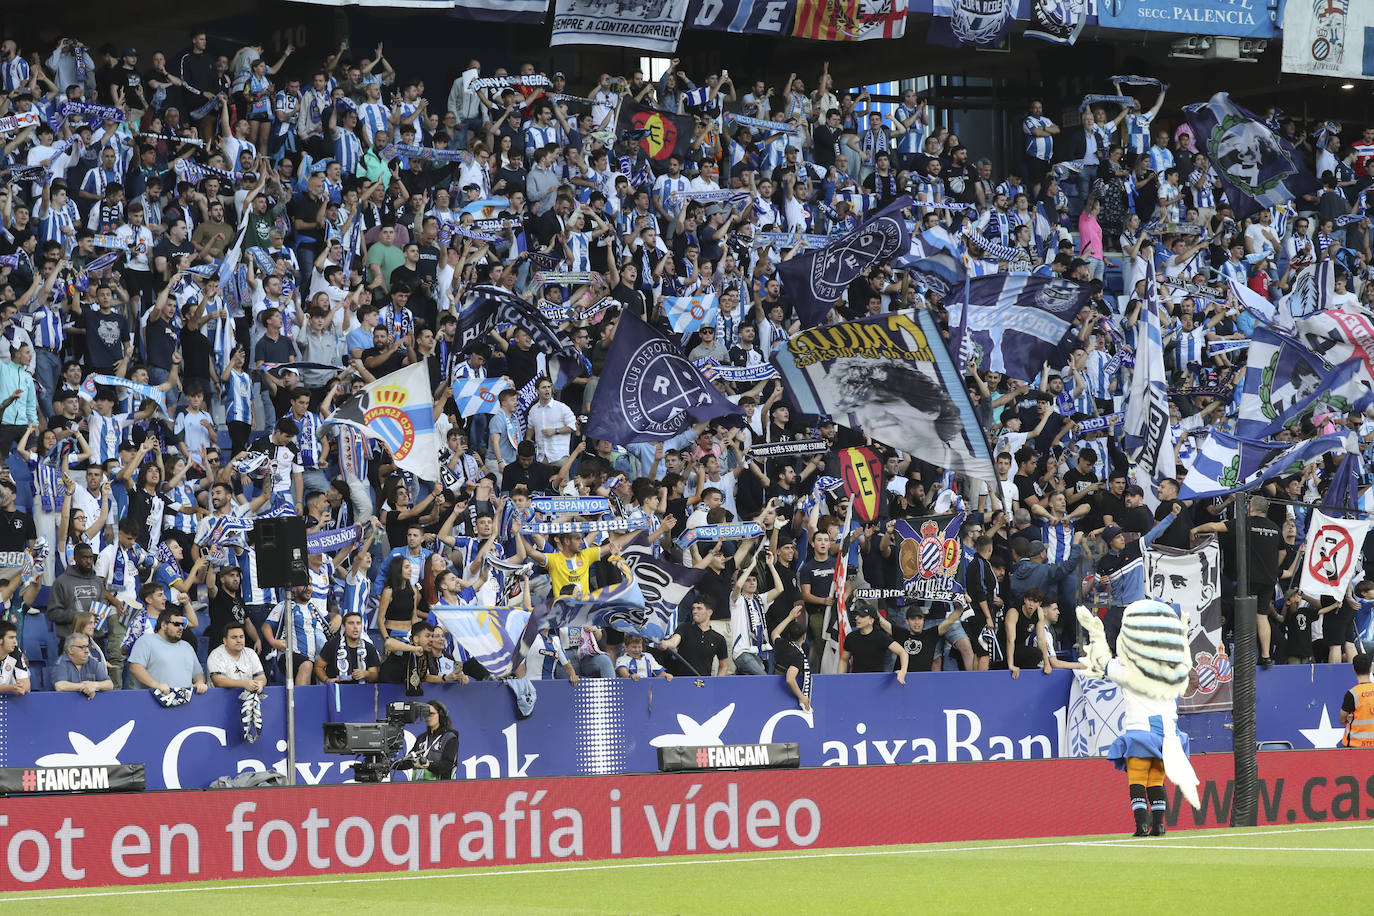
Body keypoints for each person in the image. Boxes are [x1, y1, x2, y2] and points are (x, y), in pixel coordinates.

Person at [1078, 600, 1200, 837]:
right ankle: (1159, 825)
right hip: (1167, 735)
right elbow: (1186, 662)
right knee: (1156, 781)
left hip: (1140, 731)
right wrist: (1183, 633)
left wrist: (1096, 632)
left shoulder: (1129, 671)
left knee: (1137, 780)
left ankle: (1141, 825)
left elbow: (1102, 662)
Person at [127, 609, 209, 697]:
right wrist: (156, 685)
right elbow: (135, 667)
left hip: (184, 703)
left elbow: (198, 673)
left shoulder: (187, 646)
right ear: (164, 625)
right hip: (153, 701)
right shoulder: (145, 641)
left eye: (182, 625)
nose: (181, 628)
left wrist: (200, 683)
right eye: (176, 624)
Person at [839, 602, 908, 682]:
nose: (857, 618)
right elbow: (843, 660)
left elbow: (902, 652)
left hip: (877, 681)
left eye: (862, 616)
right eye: (857, 615)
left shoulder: (881, 637)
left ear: (871, 621)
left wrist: (903, 671)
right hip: (856, 680)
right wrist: (839, 679)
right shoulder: (851, 637)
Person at [660, 597, 729, 676]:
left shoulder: (718, 638)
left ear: (709, 612)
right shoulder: (684, 628)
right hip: (681, 682)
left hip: (704, 684)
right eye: (693, 608)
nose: (694, 611)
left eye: (699, 608)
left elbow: (724, 665)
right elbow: (674, 642)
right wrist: (665, 643)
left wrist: (716, 684)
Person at [394, 700, 459, 780]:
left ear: (441, 715)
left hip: (442, 788)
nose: (428, 717)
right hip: (418, 788)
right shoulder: (421, 738)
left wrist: (429, 765)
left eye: (431, 714)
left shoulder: (450, 738)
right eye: (426, 714)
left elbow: (446, 765)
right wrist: (390, 764)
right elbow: (408, 762)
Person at [315, 610, 381, 683]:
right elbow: (318, 667)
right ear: (343, 627)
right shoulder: (332, 644)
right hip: (338, 690)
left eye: (358, 623)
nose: (355, 627)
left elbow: (375, 675)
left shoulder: (369, 647)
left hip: (361, 691)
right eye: (351, 623)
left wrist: (367, 674)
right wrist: (326, 680)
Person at [207, 622, 267, 692]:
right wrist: (244, 684)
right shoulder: (216, 655)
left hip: (247, 698)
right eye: (234, 637)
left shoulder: (251, 653)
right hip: (219, 698)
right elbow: (219, 681)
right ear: (225, 640)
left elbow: (261, 677)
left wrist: (260, 684)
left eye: (241, 637)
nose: (238, 640)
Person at [51, 630, 114, 696]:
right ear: (70, 650)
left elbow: (109, 684)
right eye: (82, 647)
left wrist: (94, 685)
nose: (87, 651)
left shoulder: (92, 662)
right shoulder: (61, 663)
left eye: (87, 646)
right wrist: (84, 686)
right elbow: (60, 686)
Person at [1340, 652, 1374, 748]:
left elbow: (1342, 719)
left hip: (1356, 745)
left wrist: (1350, 716)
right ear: (1370, 669)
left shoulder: (1352, 694)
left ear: (1354, 669)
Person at [0, 619, 30, 695]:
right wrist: (10, 688)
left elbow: (26, 684)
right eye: (11, 638)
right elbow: (11, 688)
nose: (15, 642)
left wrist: (20, 688)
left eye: (15, 637)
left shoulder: (16, 652)